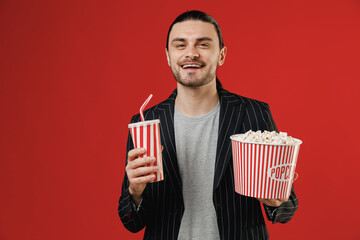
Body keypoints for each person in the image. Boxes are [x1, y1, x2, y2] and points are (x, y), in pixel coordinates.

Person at [118, 10, 298, 240]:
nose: (191, 53)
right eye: (180, 45)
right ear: (168, 56)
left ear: (221, 55)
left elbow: (286, 209)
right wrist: (134, 192)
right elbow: (131, 222)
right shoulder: (145, 122)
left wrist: (275, 199)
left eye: (203, 44)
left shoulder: (253, 113)